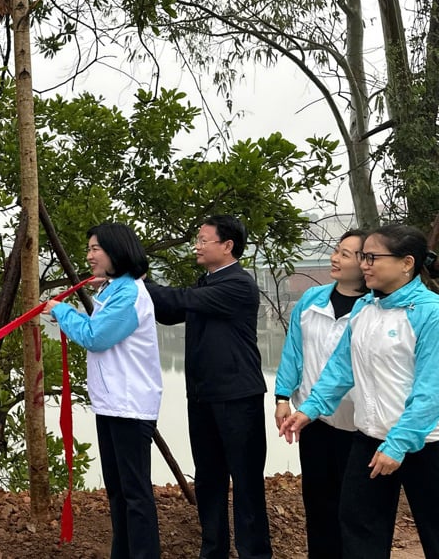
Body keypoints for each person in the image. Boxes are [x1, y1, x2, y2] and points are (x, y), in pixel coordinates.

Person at [280, 224, 439, 558]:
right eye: (363, 257)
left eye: (372, 257)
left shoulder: (431, 314)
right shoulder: (365, 309)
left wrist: (397, 445)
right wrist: (308, 410)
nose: (364, 264)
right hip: (370, 438)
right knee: (358, 527)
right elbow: (340, 370)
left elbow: (431, 391)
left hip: (426, 443)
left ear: (406, 263)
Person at [145, 215, 271, 559]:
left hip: (237, 396)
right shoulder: (206, 282)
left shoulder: (237, 284)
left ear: (227, 246)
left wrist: (138, 282)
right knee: (209, 479)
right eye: (196, 240)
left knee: (245, 481)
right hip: (202, 395)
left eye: (203, 240)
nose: (196, 247)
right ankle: (212, 550)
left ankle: (254, 553)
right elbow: (171, 310)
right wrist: (136, 286)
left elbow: (183, 299)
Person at [44, 223, 162, 558]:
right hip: (112, 405)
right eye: (89, 248)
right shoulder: (114, 289)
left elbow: (96, 336)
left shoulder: (129, 294)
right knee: (119, 493)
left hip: (129, 406)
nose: (90, 255)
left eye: (96, 248)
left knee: (135, 494)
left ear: (117, 250)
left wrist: (62, 310)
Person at [272, 229, 366, 558]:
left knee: (353, 507)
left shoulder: (373, 307)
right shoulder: (312, 300)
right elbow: (292, 353)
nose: (335, 258)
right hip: (312, 419)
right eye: (336, 250)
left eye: (345, 253)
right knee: (318, 500)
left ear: (365, 261)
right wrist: (282, 397)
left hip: (360, 424)